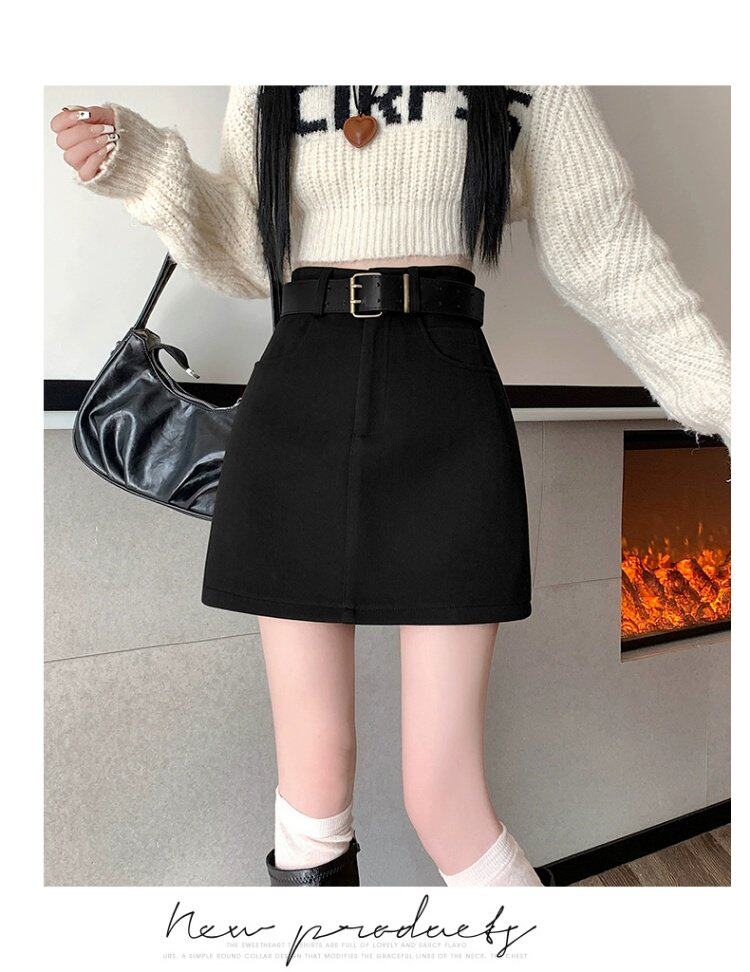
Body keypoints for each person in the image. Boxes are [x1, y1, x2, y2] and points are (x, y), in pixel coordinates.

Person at [50, 86, 730, 888]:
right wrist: (146, 166)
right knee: (309, 797)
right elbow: (246, 246)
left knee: (444, 798)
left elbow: (604, 247)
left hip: (445, 397)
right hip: (299, 389)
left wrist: (728, 402)